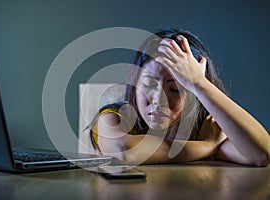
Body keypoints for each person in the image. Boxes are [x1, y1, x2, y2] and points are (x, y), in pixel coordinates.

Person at [87, 28, 270, 166]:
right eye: (149, 85)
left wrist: (199, 83)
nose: (159, 99)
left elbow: (261, 154)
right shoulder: (114, 117)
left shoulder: (205, 128)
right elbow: (123, 151)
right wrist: (207, 146)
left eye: (175, 89)